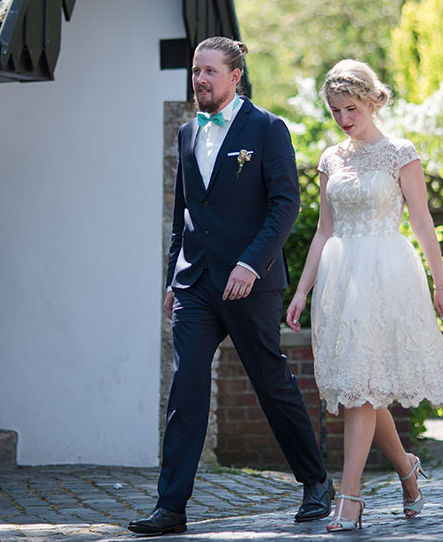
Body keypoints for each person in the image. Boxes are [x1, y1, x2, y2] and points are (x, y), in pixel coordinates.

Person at [129, 37, 334, 536]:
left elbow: (286, 205)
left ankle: (316, 483)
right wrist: (173, 275)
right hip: (195, 284)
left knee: (271, 383)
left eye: (209, 72)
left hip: (250, 283)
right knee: (187, 387)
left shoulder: (267, 129)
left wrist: (250, 264)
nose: (200, 79)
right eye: (196, 71)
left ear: (234, 76)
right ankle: (170, 508)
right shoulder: (185, 134)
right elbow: (183, 212)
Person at [286, 59, 443, 533]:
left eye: (351, 108)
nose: (344, 119)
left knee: (363, 388)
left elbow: (422, 223)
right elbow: (323, 232)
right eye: (336, 110)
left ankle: (350, 496)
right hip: (341, 280)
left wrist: (442, 285)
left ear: (371, 101)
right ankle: (408, 470)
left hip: (386, 275)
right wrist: (302, 290)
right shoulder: (331, 160)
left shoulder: (400, 153)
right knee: (361, 386)